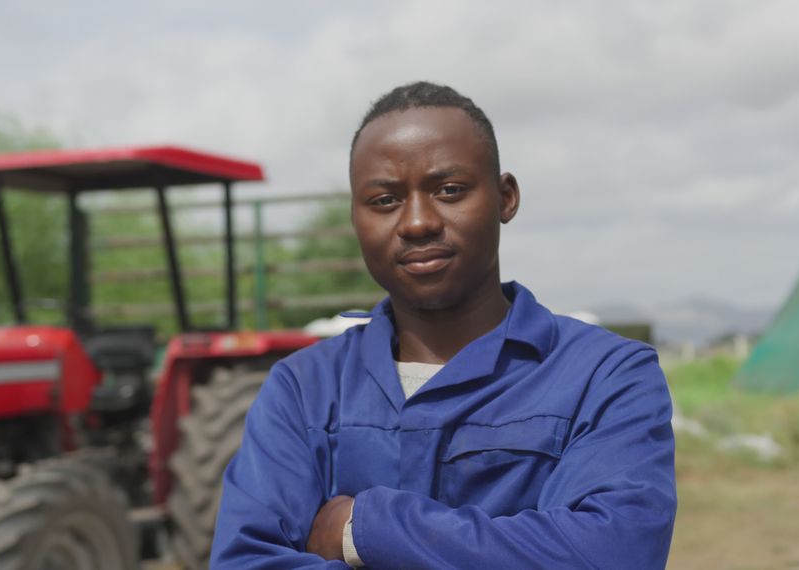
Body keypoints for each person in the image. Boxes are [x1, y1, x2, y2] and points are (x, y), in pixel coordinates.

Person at [211, 81, 676, 569]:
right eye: (384, 200)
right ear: (356, 218)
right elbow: (246, 561)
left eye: (449, 190)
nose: (416, 222)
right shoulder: (303, 389)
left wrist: (364, 529)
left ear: (505, 198)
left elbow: (611, 554)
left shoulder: (606, 376)